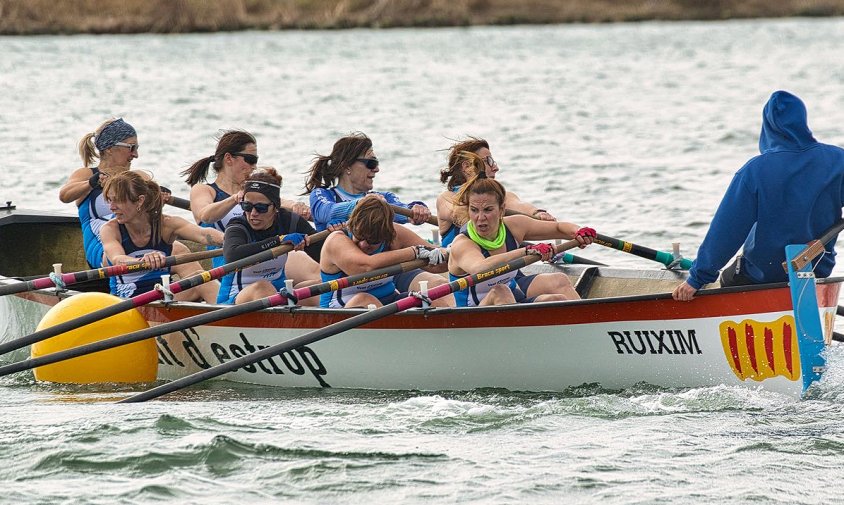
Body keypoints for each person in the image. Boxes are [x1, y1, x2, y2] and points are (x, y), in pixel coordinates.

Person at [672, 90, 844, 301]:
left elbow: (727, 231)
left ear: (768, 125)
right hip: (817, 267)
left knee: (727, 278)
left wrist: (697, 279)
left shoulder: (755, 170)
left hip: (763, 275)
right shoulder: (838, 160)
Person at [448, 162, 596, 307]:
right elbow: (480, 268)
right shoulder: (462, 244)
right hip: (473, 315)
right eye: (474, 210)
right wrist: (527, 251)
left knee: (557, 293)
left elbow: (558, 228)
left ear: (502, 210)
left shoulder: (514, 226)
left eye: (488, 210)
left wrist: (579, 232)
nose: (480, 217)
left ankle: (590, 326)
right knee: (500, 291)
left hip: (511, 301)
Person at [181, 130, 310, 268]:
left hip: (265, 255)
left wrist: (297, 206)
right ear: (229, 158)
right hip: (230, 263)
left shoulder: (251, 190)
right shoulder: (204, 190)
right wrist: (234, 199)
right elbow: (205, 215)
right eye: (250, 160)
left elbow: (280, 202)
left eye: (256, 161)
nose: (254, 166)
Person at [100, 171, 223, 303]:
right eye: (110, 200)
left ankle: (233, 319)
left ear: (140, 201)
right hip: (127, 302)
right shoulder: (110, 229)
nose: (111, 207)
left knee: (202, 279)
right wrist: (142, 261)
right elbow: (118, 259)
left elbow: (204, 235)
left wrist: (230, 240)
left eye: (117, 201)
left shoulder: (166, 224)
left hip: (163, 297)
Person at [319, 195, 453, 308]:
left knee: (437, 300)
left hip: (389, 301)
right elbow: (366, 267)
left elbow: (439, 266)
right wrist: (414, 252)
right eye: (359, 237)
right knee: (364, 299)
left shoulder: (395, 234)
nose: (363, 245)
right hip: (340, 309)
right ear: (352, 226)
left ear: (387, 235)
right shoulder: (336, 241)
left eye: (372, 242)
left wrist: (450, 252)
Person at [219, 168, 323, 305]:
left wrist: (335, 231)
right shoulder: (238, 226)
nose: (253, 213)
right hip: (236, 298)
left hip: (280, 293)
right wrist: (278, 240)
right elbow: (232, 256)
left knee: (320, 286)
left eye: (261, 208)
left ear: (276, 207)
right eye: (247, 206)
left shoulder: (290, 222)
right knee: (263, 287)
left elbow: (324, 255)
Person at [437, 137, 556, 247]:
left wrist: (537, 214)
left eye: (493, 161)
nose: (495, 168)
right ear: (467, 167)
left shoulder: (501, 196)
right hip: (462, 265)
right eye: (488, 161)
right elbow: (460, 213)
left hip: (497, 264)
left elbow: (518, 205)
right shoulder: (447, 198)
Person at [304, 132, 430, 232]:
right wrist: (364, 204)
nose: (376, 169)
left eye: (376, 163)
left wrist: (415, 210)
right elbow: (328, 212)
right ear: (347, 166)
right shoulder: (321, 195)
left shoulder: (385, 198)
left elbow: (402, 209)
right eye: (371, 163)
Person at [59, 118, 139, 268]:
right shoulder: (86, 174)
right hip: (102, 250)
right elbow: (64, 195)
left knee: (179, 249)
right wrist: (91, 183)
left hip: (136, 243)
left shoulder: (136, 177)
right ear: (109, 148)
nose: (136, 154)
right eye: (131, 147)